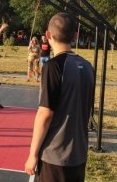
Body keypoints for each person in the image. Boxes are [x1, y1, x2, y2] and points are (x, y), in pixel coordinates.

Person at [24, 12, 94, 181]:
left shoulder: (53, 67)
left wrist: (32, 154)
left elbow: (45, 114)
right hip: (79, 154)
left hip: (55, 156)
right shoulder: (88, 66)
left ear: (48, 35)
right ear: (75, 36)